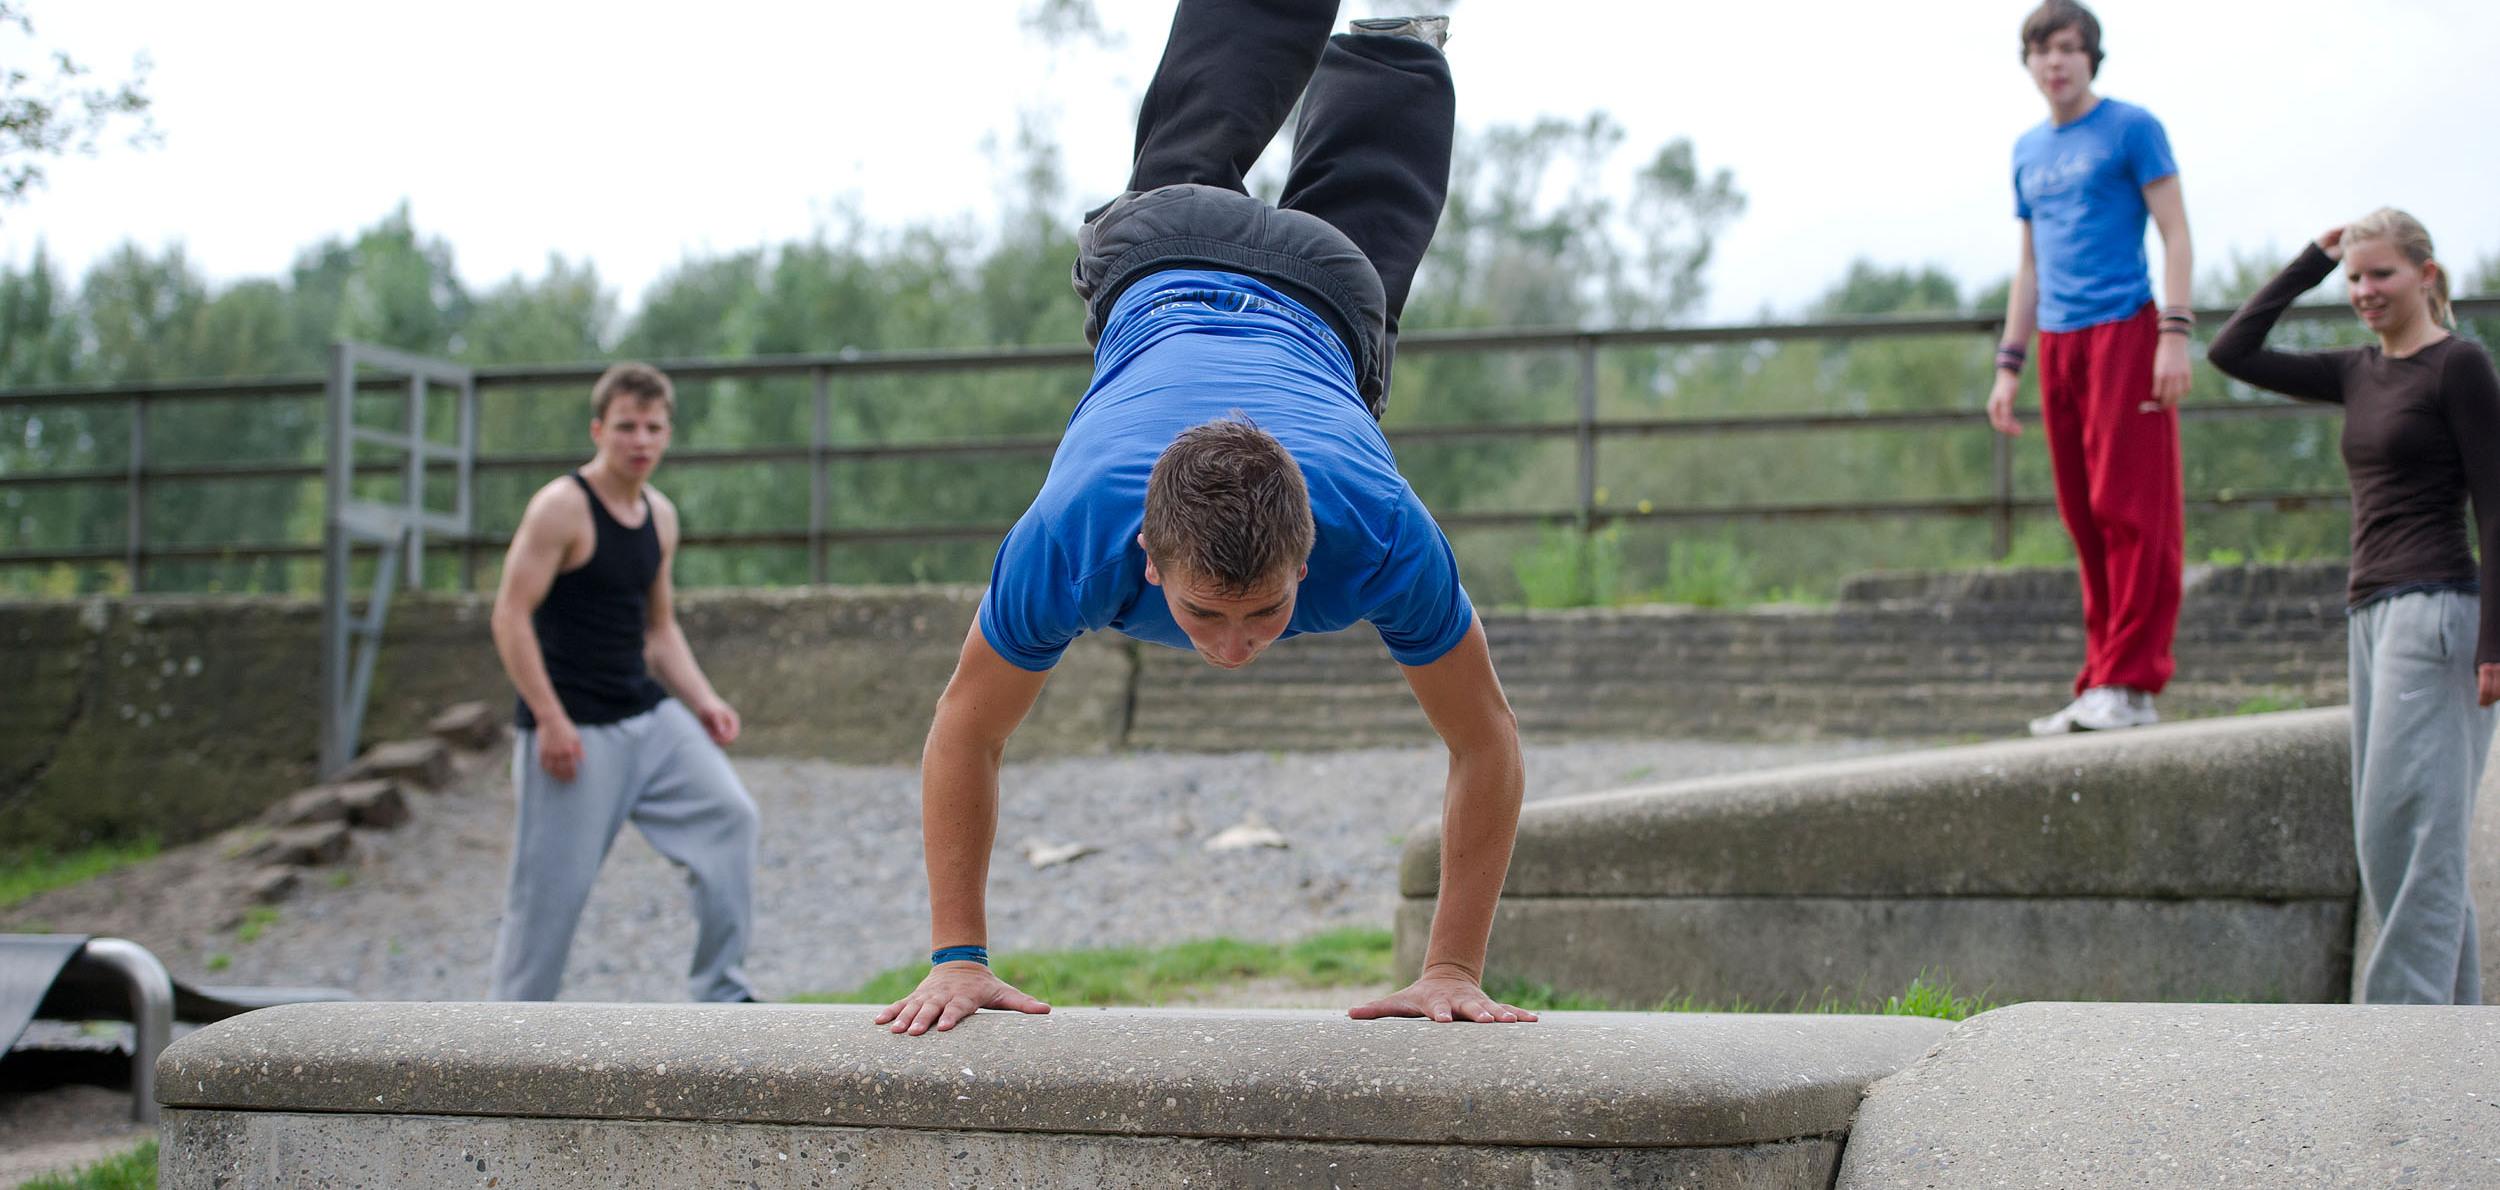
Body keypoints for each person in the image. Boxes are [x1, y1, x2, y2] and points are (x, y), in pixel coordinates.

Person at [873, 1, 1537, 1036]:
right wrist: (956, 957)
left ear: (1310, 551)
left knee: (1236, 146)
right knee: (1226, 163)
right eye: (1205, 615)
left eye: (1263, 613)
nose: (1232, 647)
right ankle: (1397, 39)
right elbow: (962, 725)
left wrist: (1451, 965)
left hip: (1244, 259)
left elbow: (1488, 739)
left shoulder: (1377, 526)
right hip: (1233, 268)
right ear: (1147, 548)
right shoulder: (1077, 527)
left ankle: (1401, 41)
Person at [2207, 209, 2499, 1005]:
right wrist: (2310, 260)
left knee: (2414, 834)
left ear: (2426, 276)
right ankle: (2460, 1036)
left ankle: (2394, 1034)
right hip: (2371, 614)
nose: (2365, 291)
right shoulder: (2356, 371)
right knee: (2391, 840)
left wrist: (2494, 643)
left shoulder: (2459, 367)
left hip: (2437, 610)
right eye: (2356, 278)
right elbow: (2232, 350)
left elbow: (2496, 508)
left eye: (2382, 275)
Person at [486, 362, 763, 1003]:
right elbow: (509, 615)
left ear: (668, 434)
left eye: (653, 428)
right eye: (626, 427)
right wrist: (549, 719)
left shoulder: (659, 516)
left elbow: (659, 631)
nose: (640, 441)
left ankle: (722, 993)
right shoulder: (561, 507)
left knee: (730, 817)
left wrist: (704, 700)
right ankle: (504, 1039)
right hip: (573, 732)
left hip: (647, 718)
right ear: (598, 430)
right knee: (548, 898)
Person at [1983, 0, 2195, 736]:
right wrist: (2009, 365)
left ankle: (2134, 682)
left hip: (2126, 331)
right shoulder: (2026, 152)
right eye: (2043, 50)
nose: (2056, 63)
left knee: (2131, 507)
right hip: (2058, 341)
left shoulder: (2132, 128)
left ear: (2090, 58)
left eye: (2070, 49)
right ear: (2030, 63)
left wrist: (2174, 333)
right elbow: (2030, 265)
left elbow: (2175, 233)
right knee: (2082, 514)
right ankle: (2102, 675)